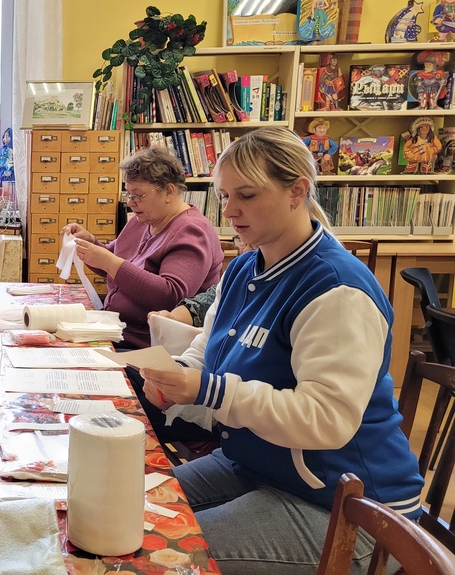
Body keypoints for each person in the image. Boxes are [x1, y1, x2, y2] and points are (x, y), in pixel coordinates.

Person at [139, 127, 424, 575]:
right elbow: (207, 347)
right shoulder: (246, 267)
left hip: (347, 505)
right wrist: (175, 375)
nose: (229, 211)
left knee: (159, 553)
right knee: (124, 511)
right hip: (258, 465)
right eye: (224, 195)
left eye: (246, 196)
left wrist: (208, 391)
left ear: (298, 191)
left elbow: (327, 419)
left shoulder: (336, 289)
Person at [62, 146, 223, 349]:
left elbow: (171, 295)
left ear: (168, 191)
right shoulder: (143, 220)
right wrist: (90, 244)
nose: (131, 203)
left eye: (138, 195)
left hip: (145, 345)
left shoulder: (192, 232)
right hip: (116, 330)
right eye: (128, 194)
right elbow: (115, 261)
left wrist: (108, 261)